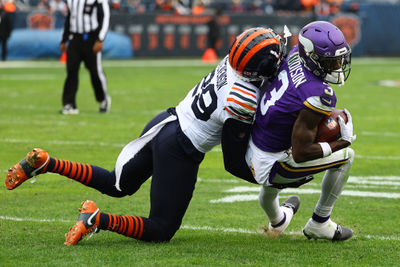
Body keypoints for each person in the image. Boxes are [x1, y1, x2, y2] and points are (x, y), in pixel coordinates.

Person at [5, 27, 286, 245]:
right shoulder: (243, 98)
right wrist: (276, 176)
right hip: (181, 149)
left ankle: (45, 163)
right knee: (161, 229)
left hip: (165, 122)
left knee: (117, 184)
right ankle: (96, 219)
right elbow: (233, 162)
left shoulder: (231, 61)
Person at [225, 21, 355, 241]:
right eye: (330, 61)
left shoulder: (295, 54)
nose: (336, 65)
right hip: (272, 164)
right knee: (347, 158)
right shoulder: (319, 94)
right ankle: (320, 223)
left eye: (338, 59)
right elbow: (301, 152)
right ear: (312, 56)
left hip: (254, 145)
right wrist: (340, 142)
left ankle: (278, 220)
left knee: (274, 170)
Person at [59, 0, 111, 114]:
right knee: (71, 71)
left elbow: (105, 16)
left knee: (95, 71)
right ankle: (69, 104)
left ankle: (103, 99)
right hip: (75, 38)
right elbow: (69, 17)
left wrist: (100, 39)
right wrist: (64, 39)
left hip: (92, 38)